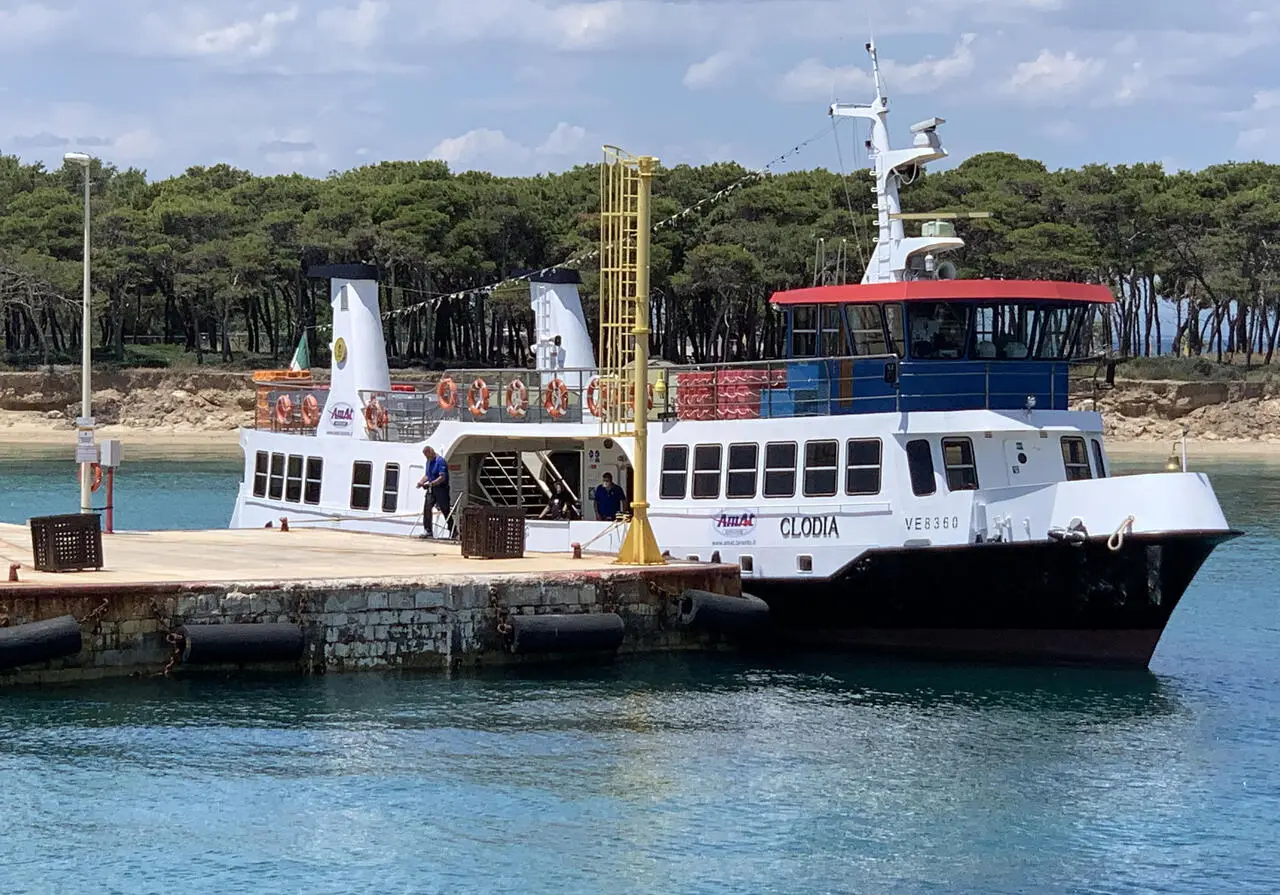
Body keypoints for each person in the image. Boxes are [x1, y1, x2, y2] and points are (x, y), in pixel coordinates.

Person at [417, 445, 450, 539]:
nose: (427, 458)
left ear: (432, 452)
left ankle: (454, 530)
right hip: (431, 489)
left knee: (445, 510)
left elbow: (442, 477)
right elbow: (427, 475)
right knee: (427, 507)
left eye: (428, 456)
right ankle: (428, 530)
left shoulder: (440, 461)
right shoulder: (428, 461)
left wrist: (431, 484)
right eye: (426, 457)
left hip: (441, 489)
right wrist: (421, 482)